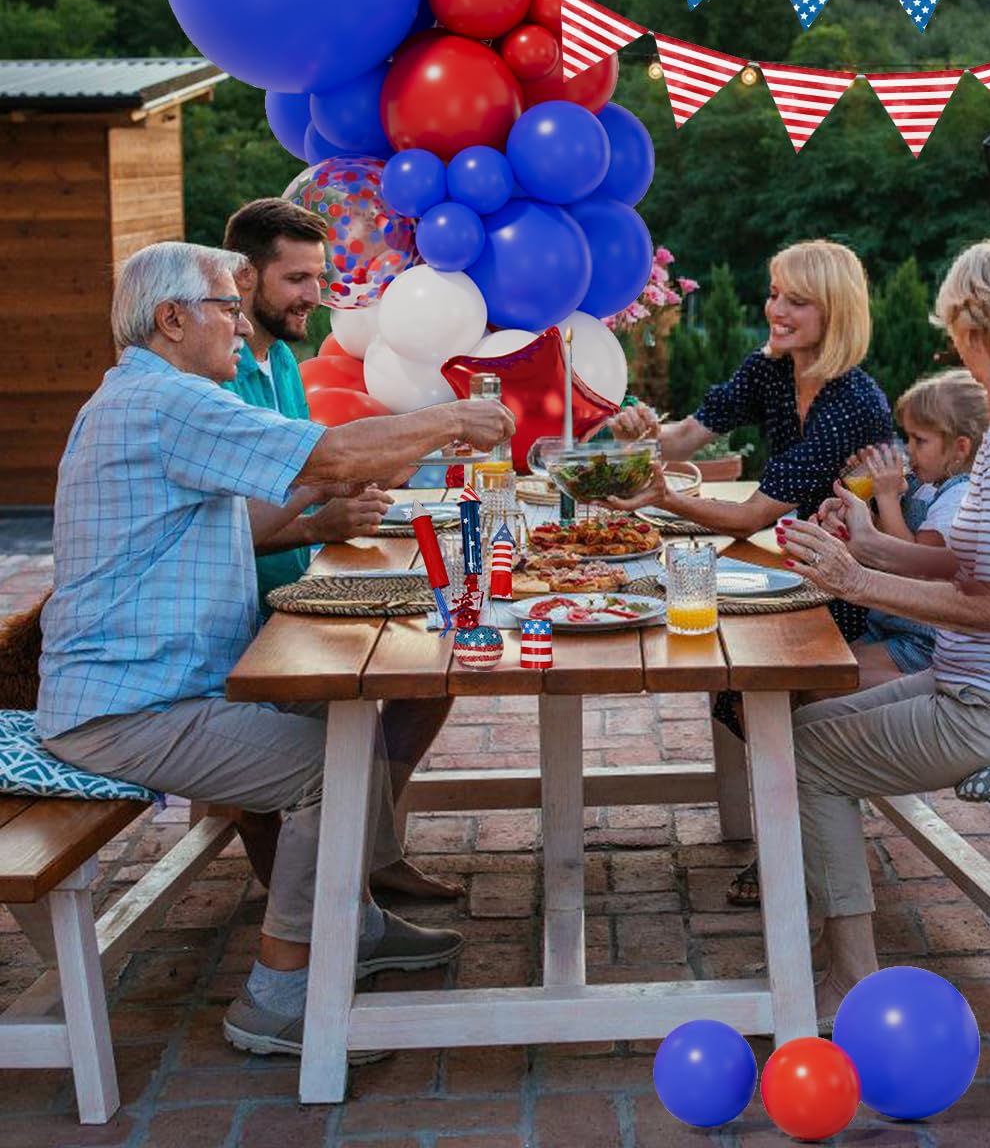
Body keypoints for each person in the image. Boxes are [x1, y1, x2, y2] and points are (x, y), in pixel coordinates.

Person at [37, 241, 516, 1061]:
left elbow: (238, 518)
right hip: (126, 710)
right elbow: (329, 453)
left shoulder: (153, 398)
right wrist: (452, 417)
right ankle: (279, 991)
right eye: (228, 305)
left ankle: (350, 922)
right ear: (172, 318)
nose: (238, 320)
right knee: (329, 761)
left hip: (161, 688)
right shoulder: (164, 402)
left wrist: (315, 515)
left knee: (349, 712)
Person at [781, 238, 990, 1021]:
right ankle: (826, 935)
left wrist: (858, 581)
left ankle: (851, 975)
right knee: (797, 729)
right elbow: (975, 563)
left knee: (802, 756)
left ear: (969, 329)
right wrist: (869, 543)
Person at [605, 239, 894, 905]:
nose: (775, 309)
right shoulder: (769, 371)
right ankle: (788, 824)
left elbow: (755, 513)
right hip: (798, 567)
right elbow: (685, 438)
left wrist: (667, 497)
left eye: (796, 300)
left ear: (836, 311)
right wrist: (637, 433)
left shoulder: (854, 401)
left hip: (854, 586)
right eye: (773, 293)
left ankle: (798, 841)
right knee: (725, 666)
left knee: (740, 681)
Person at [222, 198, 456, 902]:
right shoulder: (218, 373)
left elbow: (307, 479)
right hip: (251, 609)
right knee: (351, 703)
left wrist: (347, 500)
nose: (314, 297)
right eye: (296, 279)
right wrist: (327, 516)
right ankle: (310, 893)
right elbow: (241, 525)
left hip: (305, 587)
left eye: (318, 278)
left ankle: (368, 843)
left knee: (432, 665)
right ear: (243, 278)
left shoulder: (284, 364)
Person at [849, 369, 988, 688]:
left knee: (829, 679)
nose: (908, 450)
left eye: (920, 440)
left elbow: (915, 566)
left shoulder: (960, 498)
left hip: (923, 642)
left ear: (960, 448)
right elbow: (886, 543)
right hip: (889, 623)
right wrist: (872, 499)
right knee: (822, 666)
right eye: (907, 437)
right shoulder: (924, 484)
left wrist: (885, 497)